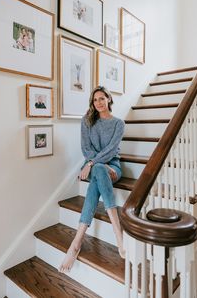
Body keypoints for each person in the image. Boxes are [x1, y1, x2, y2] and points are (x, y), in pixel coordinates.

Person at [59, 85, 125, 273]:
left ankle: (76, 243)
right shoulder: (86, 121)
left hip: (112, 167)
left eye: (102, 98)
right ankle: (117, 232)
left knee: (98, 170)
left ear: (109, 99)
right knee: (98, 170)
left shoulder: (118, 123)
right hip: (97, 167)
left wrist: (92, 164)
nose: (98, 103)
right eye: (95, 100)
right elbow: (85, 148)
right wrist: (94, 163)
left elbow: (112, 150)